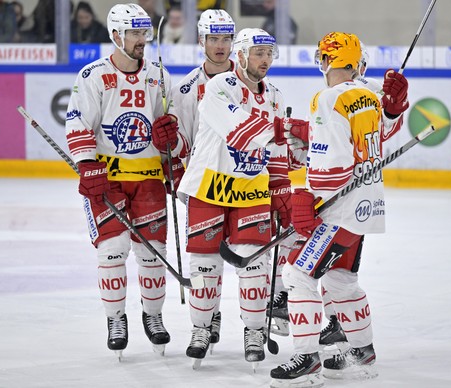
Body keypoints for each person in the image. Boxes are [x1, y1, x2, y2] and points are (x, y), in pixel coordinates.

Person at [269, 32, 409, 387]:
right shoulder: (369, 95)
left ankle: (307, 358)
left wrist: (307, 196)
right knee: (341, 280)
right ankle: (362, 351)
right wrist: (392, 110)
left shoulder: (327, 98)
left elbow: (330, 164)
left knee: (298, 276)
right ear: (356, 62)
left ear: (327, 60)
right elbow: (383, 135)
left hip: (339, 209)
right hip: (367, 205)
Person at [65, 3, 186, 360]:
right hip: (108, 180)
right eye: (134, 33)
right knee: (112, 251)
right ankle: (115, 318)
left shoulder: (159, 75)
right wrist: (87, 165)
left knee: (153, 254)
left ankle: (153, 316)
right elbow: (78, 124)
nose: (141, 40)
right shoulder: (93, 75)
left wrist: (171, 145)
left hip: (148, 178)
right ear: (115, 35)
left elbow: (171, 126)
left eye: (144, 33)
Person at [175, 27, 296, 370]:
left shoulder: (274, 94)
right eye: (258, 53)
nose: (265, 60)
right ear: (241, 55)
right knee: (204, 267)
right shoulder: (219, 87)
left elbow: (277, 154)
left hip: (251, 190)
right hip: (209, 186)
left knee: (254, 265)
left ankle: (254, 331)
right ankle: (200, 328)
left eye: (269, 54)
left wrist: (281, 189)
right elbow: (240, 131)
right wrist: (284, 130)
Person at [167, 9, 237, 355]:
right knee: (206, 257)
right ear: (201, 40)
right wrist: (172, 156)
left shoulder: (248, 81)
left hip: (243, 185)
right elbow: (182, 143)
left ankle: (240, 320)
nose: (220, 46)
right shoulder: (185, 89)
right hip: (204, 185)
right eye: (214, 38)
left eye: (226, 38)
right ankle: (207, 319)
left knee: (246, 256)